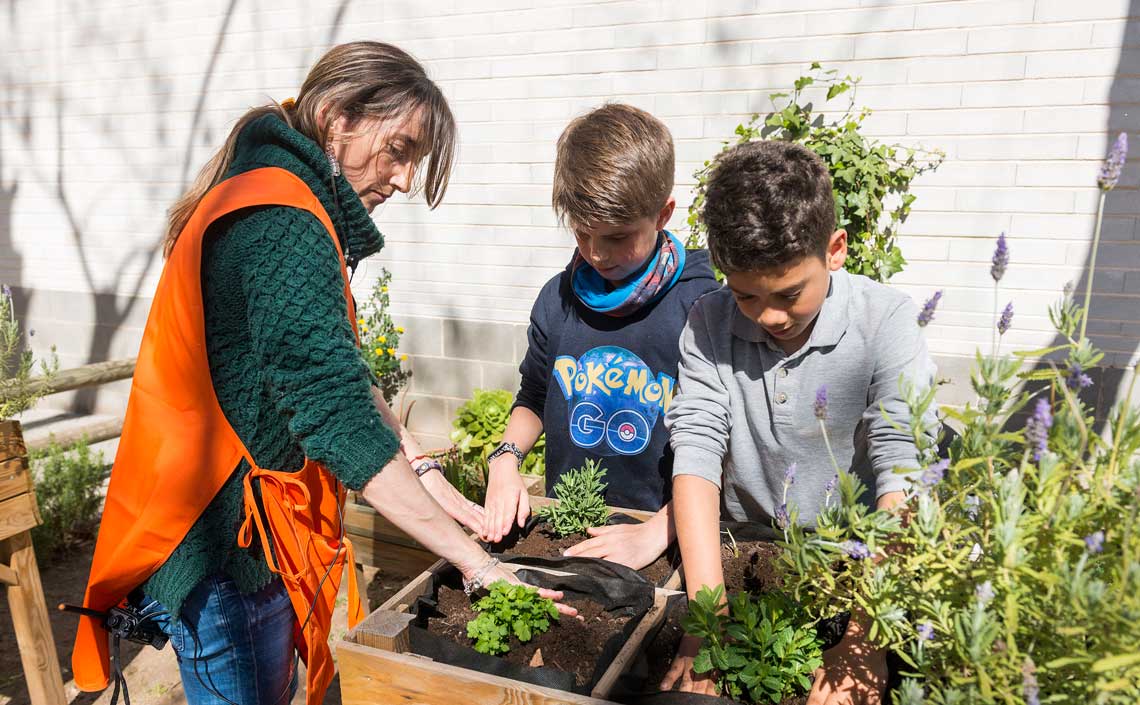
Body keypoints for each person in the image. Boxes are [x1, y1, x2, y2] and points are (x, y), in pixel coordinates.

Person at [72, 41, 571, 705]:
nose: (403, 178)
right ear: (339, 118)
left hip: (227, 527)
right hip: (226, 548)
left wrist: (424, 472)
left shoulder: (273, 188)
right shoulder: (283, 222)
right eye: (399, 150)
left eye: (413, 161)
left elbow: (336, 371)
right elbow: (332, 410)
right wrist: (477, 565)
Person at [662, 140, 938, 704]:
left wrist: (864, 639)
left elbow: (902, 474)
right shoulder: (708, 321)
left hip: (858, 565)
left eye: (789, 294)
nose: (768, 316)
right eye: (745, 295)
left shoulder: (886, 321)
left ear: (835, 250)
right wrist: (708, 624)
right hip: (749, 554)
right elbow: (695, 450)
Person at [480, 104, 719, 572]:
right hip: (570, 521)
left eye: (617, 237)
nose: (596, 253)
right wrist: (505, 460)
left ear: (663, 214)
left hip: (665, 532)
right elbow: (536, 393)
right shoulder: (559, 298)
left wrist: (660, 529)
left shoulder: (701, 307)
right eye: (583, 233)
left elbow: (723, 441)